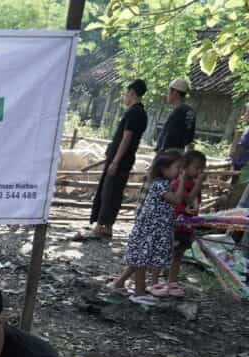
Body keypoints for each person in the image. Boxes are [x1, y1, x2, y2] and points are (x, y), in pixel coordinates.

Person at [109, 149, 187, 304]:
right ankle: (138, 292)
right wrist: (183, 181)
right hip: (149, 230)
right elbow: (177, 200)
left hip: (153, 229)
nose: (180, 171)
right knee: (142, 261)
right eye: (177, 167)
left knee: (139, 259)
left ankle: (118, 283)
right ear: (164, 169)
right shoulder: (160, 185)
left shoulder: (163, 183)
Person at [76, 79, 149, 241]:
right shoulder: (143, 114)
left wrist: (115, 161)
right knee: (115, 192)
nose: (125, 97)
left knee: (109, 191)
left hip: (120, 158)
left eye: (126, 93)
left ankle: (100, 226)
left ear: (132, 93)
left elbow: (126, 138)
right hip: (127, 158)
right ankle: (107, 227)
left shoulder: (133, 112)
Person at [150, 149, 206, 298]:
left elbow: (195, 205)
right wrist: (198, 184)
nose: (200, 171)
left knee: (178, 254)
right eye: (197, 167)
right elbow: (187, 200)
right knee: (163, 252)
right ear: (184, 167)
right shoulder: (178, 183)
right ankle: (154, 282)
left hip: (186, 226)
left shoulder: (193, 183)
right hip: (174, 224)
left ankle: (172, 281)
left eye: (203, 168)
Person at [155, 78, 196, 153]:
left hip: (168, 154)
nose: (167, 95)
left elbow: (169, 135)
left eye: (169, 92)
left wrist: (161, 152)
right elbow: (190, 137)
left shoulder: (178, 112)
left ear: (175, 93)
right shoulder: (190, 111)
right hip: (180, 152)